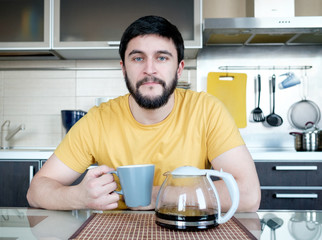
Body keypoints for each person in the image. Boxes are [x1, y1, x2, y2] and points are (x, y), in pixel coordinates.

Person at [27, 15, 261, 212]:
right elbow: (37, 191)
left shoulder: (207, 110)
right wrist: (78, 197)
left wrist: (154, 195)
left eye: (161, 57)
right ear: (124, 68)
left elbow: (249, 195)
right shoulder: (97, 120)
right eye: (138, 58)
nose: (149, 70)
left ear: (179, 68)